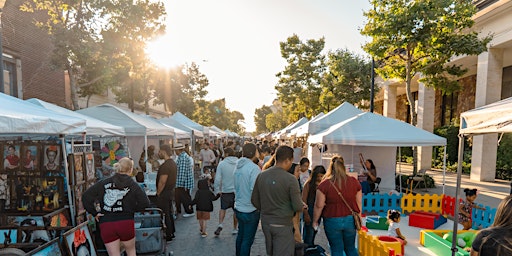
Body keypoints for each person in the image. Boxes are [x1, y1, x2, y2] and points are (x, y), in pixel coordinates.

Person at [82, 157, 150, 256]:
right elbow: (145, 203)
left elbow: (86, 196)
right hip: (126, 222)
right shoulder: (134, 185)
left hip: (107, 223)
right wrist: (132, 210)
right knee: (131, 252)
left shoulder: (104, 182)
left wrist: (95, 213)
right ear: (130, 170)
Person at [252, 145, 304, 256]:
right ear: (287, 160)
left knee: (270, 252)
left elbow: (254, 200)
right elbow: (297, 206)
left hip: (266, 222)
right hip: (283, 224)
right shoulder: (291, 180)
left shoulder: (262, 175)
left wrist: (266, 208)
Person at [312, 155, 362, 256]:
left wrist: (315, 221)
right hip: (350, 219)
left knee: (336, 249)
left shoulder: (324, 185)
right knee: (351, 248)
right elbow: (358, 202)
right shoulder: (354, 182)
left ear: (331, 167)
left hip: (331, 220)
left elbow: (319, 205)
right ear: (343, 166)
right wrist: (359, 218)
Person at [233, 142, 261, 256]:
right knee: (247, 241)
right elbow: (254, 190)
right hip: (250, 209)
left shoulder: (237, 166)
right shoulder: (254, 168)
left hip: (239, 207)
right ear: (254, 152)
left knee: (240, 236)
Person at [214, 147, 239, 236]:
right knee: (236, 211)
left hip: (225, 190)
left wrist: (217, 190)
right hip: (236, 191)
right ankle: (235, 228)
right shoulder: (238, 162)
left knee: (223, 209)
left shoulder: (222, 164)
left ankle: (220, 223)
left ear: (227, 154)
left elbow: (217, 178)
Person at [155, 144, 177, 241]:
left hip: (165, 192)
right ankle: (171, 232)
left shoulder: (165, 166)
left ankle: (168, 234)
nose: (158, 153)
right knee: (169, 212)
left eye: (159, 151)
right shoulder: (172, 163)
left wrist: (158, 193)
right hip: (170, 191)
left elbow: (162, 181)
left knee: (166, 213)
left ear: (164, 152)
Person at [302, 165, 326, 246]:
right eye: (318, 176)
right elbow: (303, 200)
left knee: (313, 234)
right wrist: (306, 214)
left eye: (321, 176)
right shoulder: (308, 184)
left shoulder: (324, 185)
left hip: (319, 212)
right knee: (309, 235)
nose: (319, 178)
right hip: (310, 211)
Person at [174, 143, 195, 218]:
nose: (175, 152)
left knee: (186, 198)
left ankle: (190, 211)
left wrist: (178, 184)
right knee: (184, 197)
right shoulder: (182, 156)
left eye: (175, 150)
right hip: (185, 182)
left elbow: (182, 173)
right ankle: (185, 210)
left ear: (178, 150)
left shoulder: (182, 158)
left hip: (184, 183)